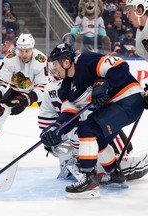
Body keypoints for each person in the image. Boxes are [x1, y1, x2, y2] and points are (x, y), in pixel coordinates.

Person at [40, 43, 144, 199]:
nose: (53, 68)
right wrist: (55, 129)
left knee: (87, 129)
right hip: (117, 107)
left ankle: (89, 180)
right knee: (99, 141)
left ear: (66, 62)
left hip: (130, 99)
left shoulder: (85, 60)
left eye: (55, 64)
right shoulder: (66, 89)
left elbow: (120, 66)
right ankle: (115, 174)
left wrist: (104, 83)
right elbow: (69, 115)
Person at [0, 33, 49, 159]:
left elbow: (42, 87)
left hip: (36, 93)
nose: (24, 54)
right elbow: (1, 81)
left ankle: (56, 144)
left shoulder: (40, 60)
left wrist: (27, 99)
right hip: (16, 90)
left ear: (33, 48)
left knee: (48, 115)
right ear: (17, 49)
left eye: (27, 50)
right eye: (21, 50)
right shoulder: (10, 58)